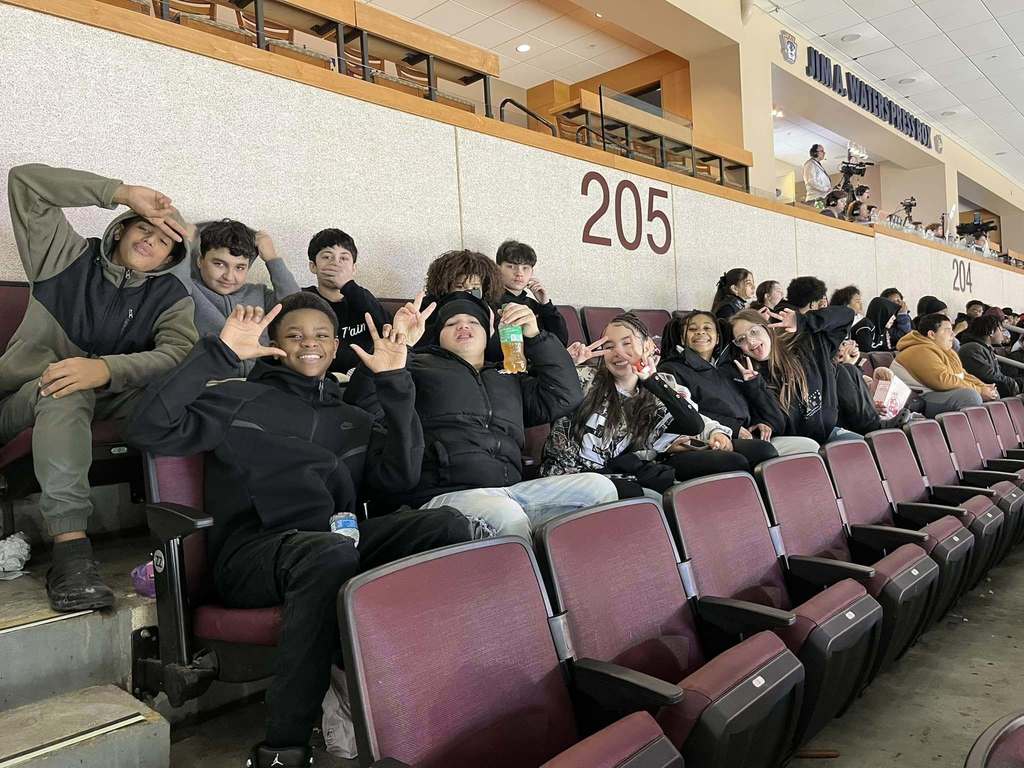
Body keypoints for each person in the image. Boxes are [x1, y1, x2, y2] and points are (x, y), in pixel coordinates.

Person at [125, 294, 472, 768]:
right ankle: (281, 749)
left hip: (333, 543)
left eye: (322, 336)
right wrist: (220, 353)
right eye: (295, 335)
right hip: (252, 555)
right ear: (275, 344)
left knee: (447, 525)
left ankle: (422, 695)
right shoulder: (236, 397)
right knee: (328, 553)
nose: (310, 343)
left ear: (335, 348)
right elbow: (147, 428)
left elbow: (401, 478)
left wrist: (394, 382)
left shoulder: (349, 415)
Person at [0, 163, 198, 612]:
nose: (151, 239)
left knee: (192, 394)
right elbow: (25, 183)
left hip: (103, 396)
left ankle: (206, 535)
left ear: (171, 257)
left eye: (165, 239)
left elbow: (179, 353)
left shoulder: (168, 296)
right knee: (67, 387)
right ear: (122, 228)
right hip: (20, 402)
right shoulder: (65, 257)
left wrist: (106, 369)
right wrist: (122, 191)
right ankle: (70, 555)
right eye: (143, 227)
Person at [346, 292, 616, 539]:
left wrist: (535, 336)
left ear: (488, 335)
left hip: (511, 491)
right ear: (438, 335)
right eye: (452, 323)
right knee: (505, 517)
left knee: (600, 490)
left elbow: (565, 395)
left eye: (472, 322)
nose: (463, 326)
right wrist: (398, 351)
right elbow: (365, 404)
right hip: (447, 497)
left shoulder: (507, 375)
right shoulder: (414, 365)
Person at [541, 314, 777, 500]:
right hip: (570, 476)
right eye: (610, 345)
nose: (619, 353)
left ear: (646, 346)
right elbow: (532, 394)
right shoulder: (583, 377)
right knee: (648, 495)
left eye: (627, 343)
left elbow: (692, 423)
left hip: (611, 474)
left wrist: (650, 379)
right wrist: (562, 366)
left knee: (740, 461)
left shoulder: (657, 386)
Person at [658, 311, 819, 455]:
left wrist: (761, 421)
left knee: (810, 446)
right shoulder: (672, 368)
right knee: (781, 449)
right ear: (682, 338)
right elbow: (684, 411)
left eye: (707, 328)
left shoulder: (730, 368)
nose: (700, 332)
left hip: (751, 437)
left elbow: (777, 421)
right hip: (715, 439)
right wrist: (734, 428)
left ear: (717, 338)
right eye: (693, 329)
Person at [729, 305, 860, 444]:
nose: (750, 341)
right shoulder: (751, 378)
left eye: (754, 331)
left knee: (869, 446)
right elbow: (778, 424)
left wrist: (803, 321)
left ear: (767, 328)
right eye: (741, 339)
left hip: (829, 433)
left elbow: (846, 315)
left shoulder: (807, 344)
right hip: (800, 447)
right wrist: (754, 385)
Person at [189, 220, 300, 376]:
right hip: (209, 384)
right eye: (219, 264)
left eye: (240, 267)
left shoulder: (259, 294)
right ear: (200, 261)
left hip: (259, 384)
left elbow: (298, 308)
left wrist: (272, 259)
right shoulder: (186, 289)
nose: (229, 276)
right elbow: (168, 277)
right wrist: (186, 243)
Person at [303, 228, 387, 376]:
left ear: (354, 268)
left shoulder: (361, 297)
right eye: (327, 257)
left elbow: (387, 326)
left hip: (363, 377)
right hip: (321, 377)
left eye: (344, 258)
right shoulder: (305, 298)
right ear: (313, 266)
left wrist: (348, 286)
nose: (336, 263)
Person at [892, 313, 997, 417]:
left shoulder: (946, 351)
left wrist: (984, 386)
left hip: (939, 393)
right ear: (931, 334)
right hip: (919, 400)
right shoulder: (919, 350)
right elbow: (943, 380)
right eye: (948, 330)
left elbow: (963, 375)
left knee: (993, 394)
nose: (952, 334)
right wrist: (979, 390)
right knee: (970, 397)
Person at [418, 249, 504, 360]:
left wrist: (491, 334)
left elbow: (500, 357)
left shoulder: (492, 309)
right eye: (460, 287)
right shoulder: (428, 308)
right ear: (446, 287)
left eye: (475, 288)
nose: (468, 292)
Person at [495, 239, 568, 345]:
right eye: (511, 266)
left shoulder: (534, 305)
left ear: (532, 272)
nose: (519, 273)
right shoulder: (490, 301)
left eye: (525, 268)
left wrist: (546, 304)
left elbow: (561, 342)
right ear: (498, 269)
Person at [958, 314, 1021, 397]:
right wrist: (1015, 384)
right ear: (991, 332)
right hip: (983, 392)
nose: (1004, 335)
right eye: (1001, 330)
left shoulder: (983, 348)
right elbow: (989, 376)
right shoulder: (972, 349)